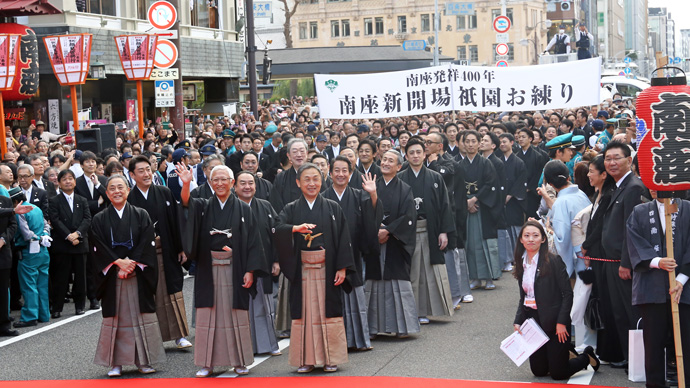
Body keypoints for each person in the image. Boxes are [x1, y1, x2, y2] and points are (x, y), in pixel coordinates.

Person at [178, 164, 267, 377]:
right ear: (210, 182)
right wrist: (187, 183)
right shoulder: (204, 206)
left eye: (223, 180)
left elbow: (254, 241)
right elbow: (186, 202)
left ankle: (239, 361)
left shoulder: (244, 208)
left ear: (232, 183)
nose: (219, 183)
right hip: (209, 267)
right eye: (215, 180)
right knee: (208, 316)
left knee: (236, 314)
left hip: (235, 267)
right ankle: (206, 363)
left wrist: (250, 270)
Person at [272, 162, 355, 373]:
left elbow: (344, 239)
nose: (312, 183)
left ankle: (330, 358)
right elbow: (277, 229)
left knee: (328, 312)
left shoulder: (333, 207)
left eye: (316, 179)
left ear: (322, 181)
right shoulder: (291, 209)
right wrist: (294, 229)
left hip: (327, 268)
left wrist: (342, 268)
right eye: (307, 179)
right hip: (303, 270)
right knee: (305, 313)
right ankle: (306, 359)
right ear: (298, 183)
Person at [89, 175, 165, 377]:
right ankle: (117, 363)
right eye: (112, 188)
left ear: (128, 190)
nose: (116, 191)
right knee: (118, 318)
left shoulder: (141, 215)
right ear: (106, 193)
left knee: (141, 316)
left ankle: (145, 360)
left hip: (137, 272)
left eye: (120, 187)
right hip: (113, 275)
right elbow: (98, 246)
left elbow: (147, 242)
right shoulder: (99, 218)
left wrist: (130, 263)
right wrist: (118, 262)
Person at [513, 220, 599, 380]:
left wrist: (561, 322)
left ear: (543, 239)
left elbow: (567, 294)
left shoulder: (553, 261)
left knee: (558, 373)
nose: (531, 239)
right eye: (527, 236)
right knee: (539, 371)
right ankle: (564, 352)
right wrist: (518, 321)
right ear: (521, 240)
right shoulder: (521, 262)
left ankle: (586, 357)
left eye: (535, 235)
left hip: (554, 322)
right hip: (533, 321)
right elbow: (523, 297)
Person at [127, 156, 191, 350]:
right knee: (148, 294)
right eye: (141, 171)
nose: (146, 174)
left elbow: (176, 220)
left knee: (171, 291)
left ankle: (179, 335)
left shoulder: (163, 192)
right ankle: (151, 337)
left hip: (167, 250)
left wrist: (181, 247)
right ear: (131, 175)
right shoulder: (130, 198)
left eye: (148, 169)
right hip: (143, 256)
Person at [627, 190, 690, 386]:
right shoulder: (639, 211)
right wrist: (656, 261)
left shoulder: (687, 208)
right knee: (653, 344)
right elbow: (633, 241)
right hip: (651, 286)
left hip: (684, 288)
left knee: (686, 343)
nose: (653, 188)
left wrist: (681, 278)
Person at [323, 156, 382, 350]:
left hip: (353, 253)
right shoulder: (323, 197)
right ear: (330, 173)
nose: (340, 174)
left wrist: (373, 195)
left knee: (355, 296)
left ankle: (357, 339)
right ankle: (333, 343)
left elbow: (372, 219)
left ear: (350, 174)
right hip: (329, 256)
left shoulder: (359, 195)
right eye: (336, 170)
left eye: (344, 171)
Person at [398, 137, 455, 323]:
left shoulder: (435, 177)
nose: (415, 156)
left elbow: (445, 206)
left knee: (431, 271)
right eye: (411, 153)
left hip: (430, 229)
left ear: (425, 154)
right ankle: (414, 311)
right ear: (406, 156)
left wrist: (444, 231)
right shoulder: (400, 179)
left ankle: (431, 310)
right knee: (413, 272)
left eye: (418, 152)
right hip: (408, 232)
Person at [600, 141, 646, 370]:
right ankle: (628, 357)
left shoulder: (633, 187)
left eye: (616, 158)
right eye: (608, 158)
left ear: (629, 160)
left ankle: (637, 361)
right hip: (612, 261)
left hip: (623, 263)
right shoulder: (618, 185)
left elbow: (632, 230)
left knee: (629, 313)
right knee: (618, 312)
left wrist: (627, 263)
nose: (611, 162)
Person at [366, 150, 421, 338]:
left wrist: (388, 231)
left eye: (391, 161)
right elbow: (363, 211)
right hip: (374, 241)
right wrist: (375, 231)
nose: (386, 163)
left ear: (399, 167)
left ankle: (402, 327)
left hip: (395, 243)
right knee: (373, 282)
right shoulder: (372, 185)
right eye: (384, 160)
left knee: (397, 282)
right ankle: (372, 327)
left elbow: (409, 216)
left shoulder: (405, 189)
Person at [234, 171, 281, 357]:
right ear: (234, 186)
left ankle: (266, 345)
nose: (247, 187)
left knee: (263, 305)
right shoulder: (230, 207)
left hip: (263, 263)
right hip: (236, 265)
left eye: (251, 183)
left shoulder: (266, 206)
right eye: (243, 183)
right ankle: (242, 348)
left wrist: (277, 259)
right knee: (240, 308)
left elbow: (276, 234)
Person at [48, 170, 92, 318]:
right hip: (62, 243)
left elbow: (87, 219)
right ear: (59, 183)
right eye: (64, 179)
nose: (68, 181)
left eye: (70, 179)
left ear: (75, 181)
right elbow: (55, 220)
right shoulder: (54, 200)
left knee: (81, 277)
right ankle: (57, 307)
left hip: (79, 242)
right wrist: (68, 235)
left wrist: (77, 234)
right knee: (61, 277)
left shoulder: (82, 200)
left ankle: (80, 306)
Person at [461, 131, 501, 290]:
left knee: (486, 243)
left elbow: (491, 185)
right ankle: (475, 277)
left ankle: (489, 277)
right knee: (470, 243)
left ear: (478, 143)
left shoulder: (486, 163)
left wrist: (475, 199)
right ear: (463, 144)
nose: (470, 144)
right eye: (467, 141)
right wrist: (466, 202)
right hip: (467, 207)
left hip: (483, 207)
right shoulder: (459, 165)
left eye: (473, 141)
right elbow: (456, 188)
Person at [9, 187, 51, 328]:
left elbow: (26, 234)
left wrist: (37, 238)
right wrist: (44, 236)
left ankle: (30, 316)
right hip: (43, 251)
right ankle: (43, 314)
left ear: (15, 201)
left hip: (28, 251)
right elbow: (47, 225)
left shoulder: (20, 212)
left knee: (29, 285)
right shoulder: (36, 208)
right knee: (42, 284)